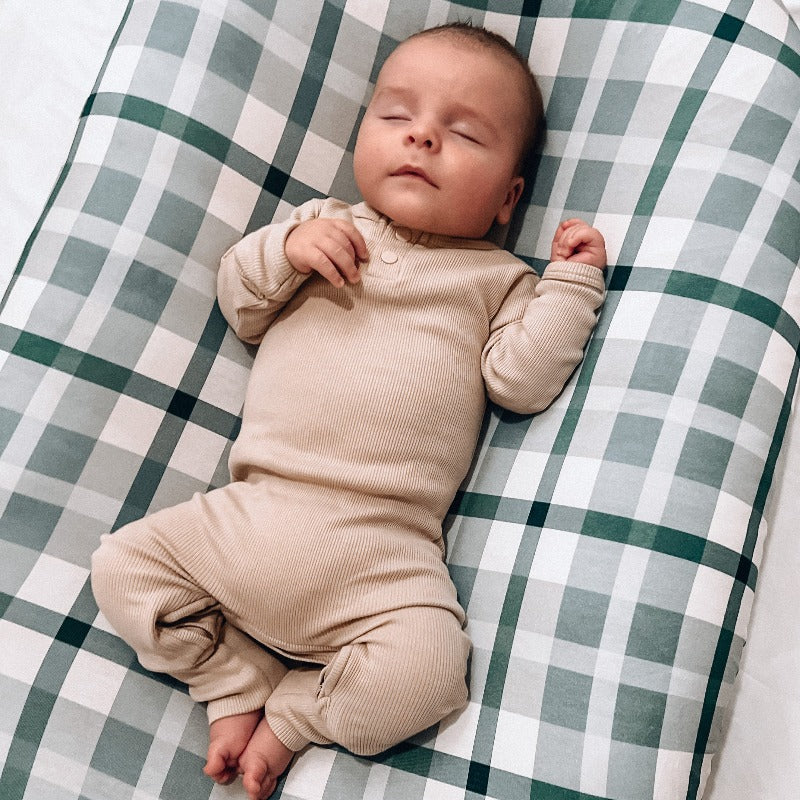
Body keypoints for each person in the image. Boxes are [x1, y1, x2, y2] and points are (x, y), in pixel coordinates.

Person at [91, 21, 607, 800]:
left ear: (509, 200)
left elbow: (522, 382)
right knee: (122, 565)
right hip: (254, 515)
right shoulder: (322, 223)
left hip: (386, 550)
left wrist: (571, 285)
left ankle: (295, 715)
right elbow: (241, 300)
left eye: (463, 133)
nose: (422, 136)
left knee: (431, 675)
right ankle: (230, 684)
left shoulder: (498, 281)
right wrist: (286, 251)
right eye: (396, 116)